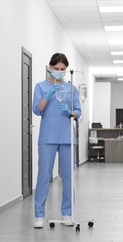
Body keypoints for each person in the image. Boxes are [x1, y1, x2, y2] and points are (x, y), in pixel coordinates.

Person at [32, 53, 81, 228]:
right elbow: (37, 110)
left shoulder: (72, 89)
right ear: (50, 68)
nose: (59, 72)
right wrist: (48, 95)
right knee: (44, 176)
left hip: (67, 137)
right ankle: (39, 215)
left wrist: (71, 112)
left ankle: (67, 213)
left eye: (62, 70)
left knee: (68, 177)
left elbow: (78, 111)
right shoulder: (41, 87)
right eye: (56, 69)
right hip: (48, 137)